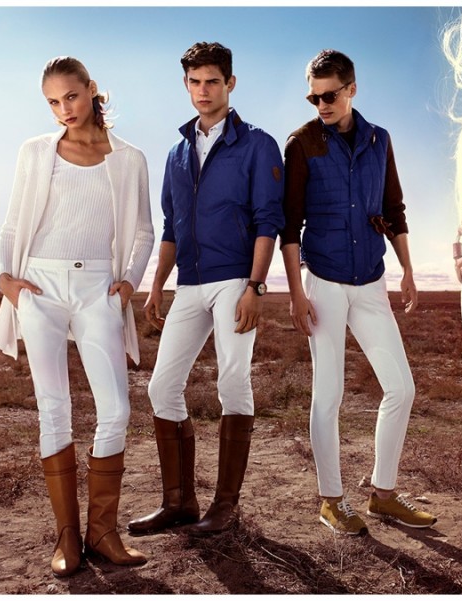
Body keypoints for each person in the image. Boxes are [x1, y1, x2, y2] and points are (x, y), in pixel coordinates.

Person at [0, 56, 154, 576]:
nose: (64, 110)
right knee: (53, 408)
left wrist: (128, 282)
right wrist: (6, 281)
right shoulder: (36, 152)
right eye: (53, 102)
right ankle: (67, 539)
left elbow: (146, 230)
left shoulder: (129, 158)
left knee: (117, 411)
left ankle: (103, 533)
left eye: (72, 97)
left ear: (92, 90)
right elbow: (15, 225)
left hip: (98, 289)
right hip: (39, 286)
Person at [127, 42, 284, 538]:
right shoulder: (175, 153)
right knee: (161, 387)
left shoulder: (258, 145)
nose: (203, 91)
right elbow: (172, 228)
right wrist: (156, 286)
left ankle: (226, 505)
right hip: (190, 285)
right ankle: (179, 503)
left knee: (232, 381)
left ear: (230, 84)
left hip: (236, 279)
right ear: (186, 85)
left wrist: (256, 286)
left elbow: (268, 222)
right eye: (195, 82)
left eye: (212, 81)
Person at [280, 49, 436, 536]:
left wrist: (408, 269)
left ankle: (383, 496)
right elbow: (289, 225)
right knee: (328, 394)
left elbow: (394, 208)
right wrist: (296, 293)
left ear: (351, 89)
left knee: (402, 388)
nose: (321, 104)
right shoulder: (302, 143)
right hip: (322, 281)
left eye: (329, 95)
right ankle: (332, 500)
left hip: (371, 281)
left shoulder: (378, 139)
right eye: (313, 96)